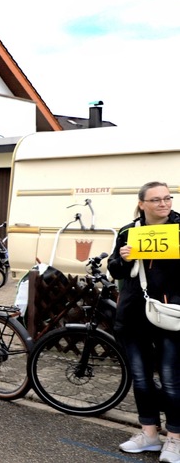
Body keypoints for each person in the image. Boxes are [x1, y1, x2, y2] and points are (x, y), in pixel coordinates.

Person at [108, 181, 180, 461]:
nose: (164, 204)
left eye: (167, 198)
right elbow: (115, 268)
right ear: (142, 204)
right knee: (141, 379)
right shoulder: (129, 231)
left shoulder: (178, 228)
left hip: (171, 314)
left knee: (172, 380)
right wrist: (123, 259)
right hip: (134, 315)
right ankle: (150, 434)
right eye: (156, 200)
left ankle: (174, 438)